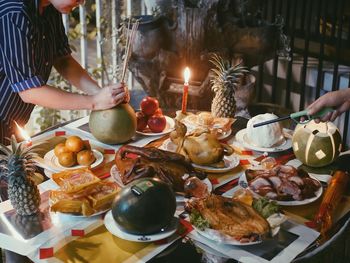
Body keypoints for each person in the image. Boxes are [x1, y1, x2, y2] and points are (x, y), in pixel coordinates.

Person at [0, 0, 129, 145]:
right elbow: (30, 91)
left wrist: (101, 94)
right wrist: (93, 102)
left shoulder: (50, 8)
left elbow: (63, 61)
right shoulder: (14, 13)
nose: (81, 2)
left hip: (13, 123)